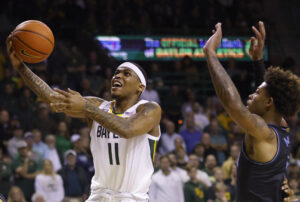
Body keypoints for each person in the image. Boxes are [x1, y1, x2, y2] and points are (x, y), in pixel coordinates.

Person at [7, 37, 162, 202]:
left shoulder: (150, 109)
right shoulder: (98, 105)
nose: (118, 76)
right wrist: (21, 67)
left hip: (132, 198)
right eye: (116, 73)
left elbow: (127, 129)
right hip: (98, 196)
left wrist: (87, 108)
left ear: (140, 87)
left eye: (126, 74)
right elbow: (52, 99)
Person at [203, 21, 300, 201]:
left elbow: (233, 105)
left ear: (270, 102)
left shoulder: (263, 133)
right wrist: (257, 61)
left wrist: (211, 54)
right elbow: (267, 100)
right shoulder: (282, 127)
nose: (250, 96)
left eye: (256, 93)